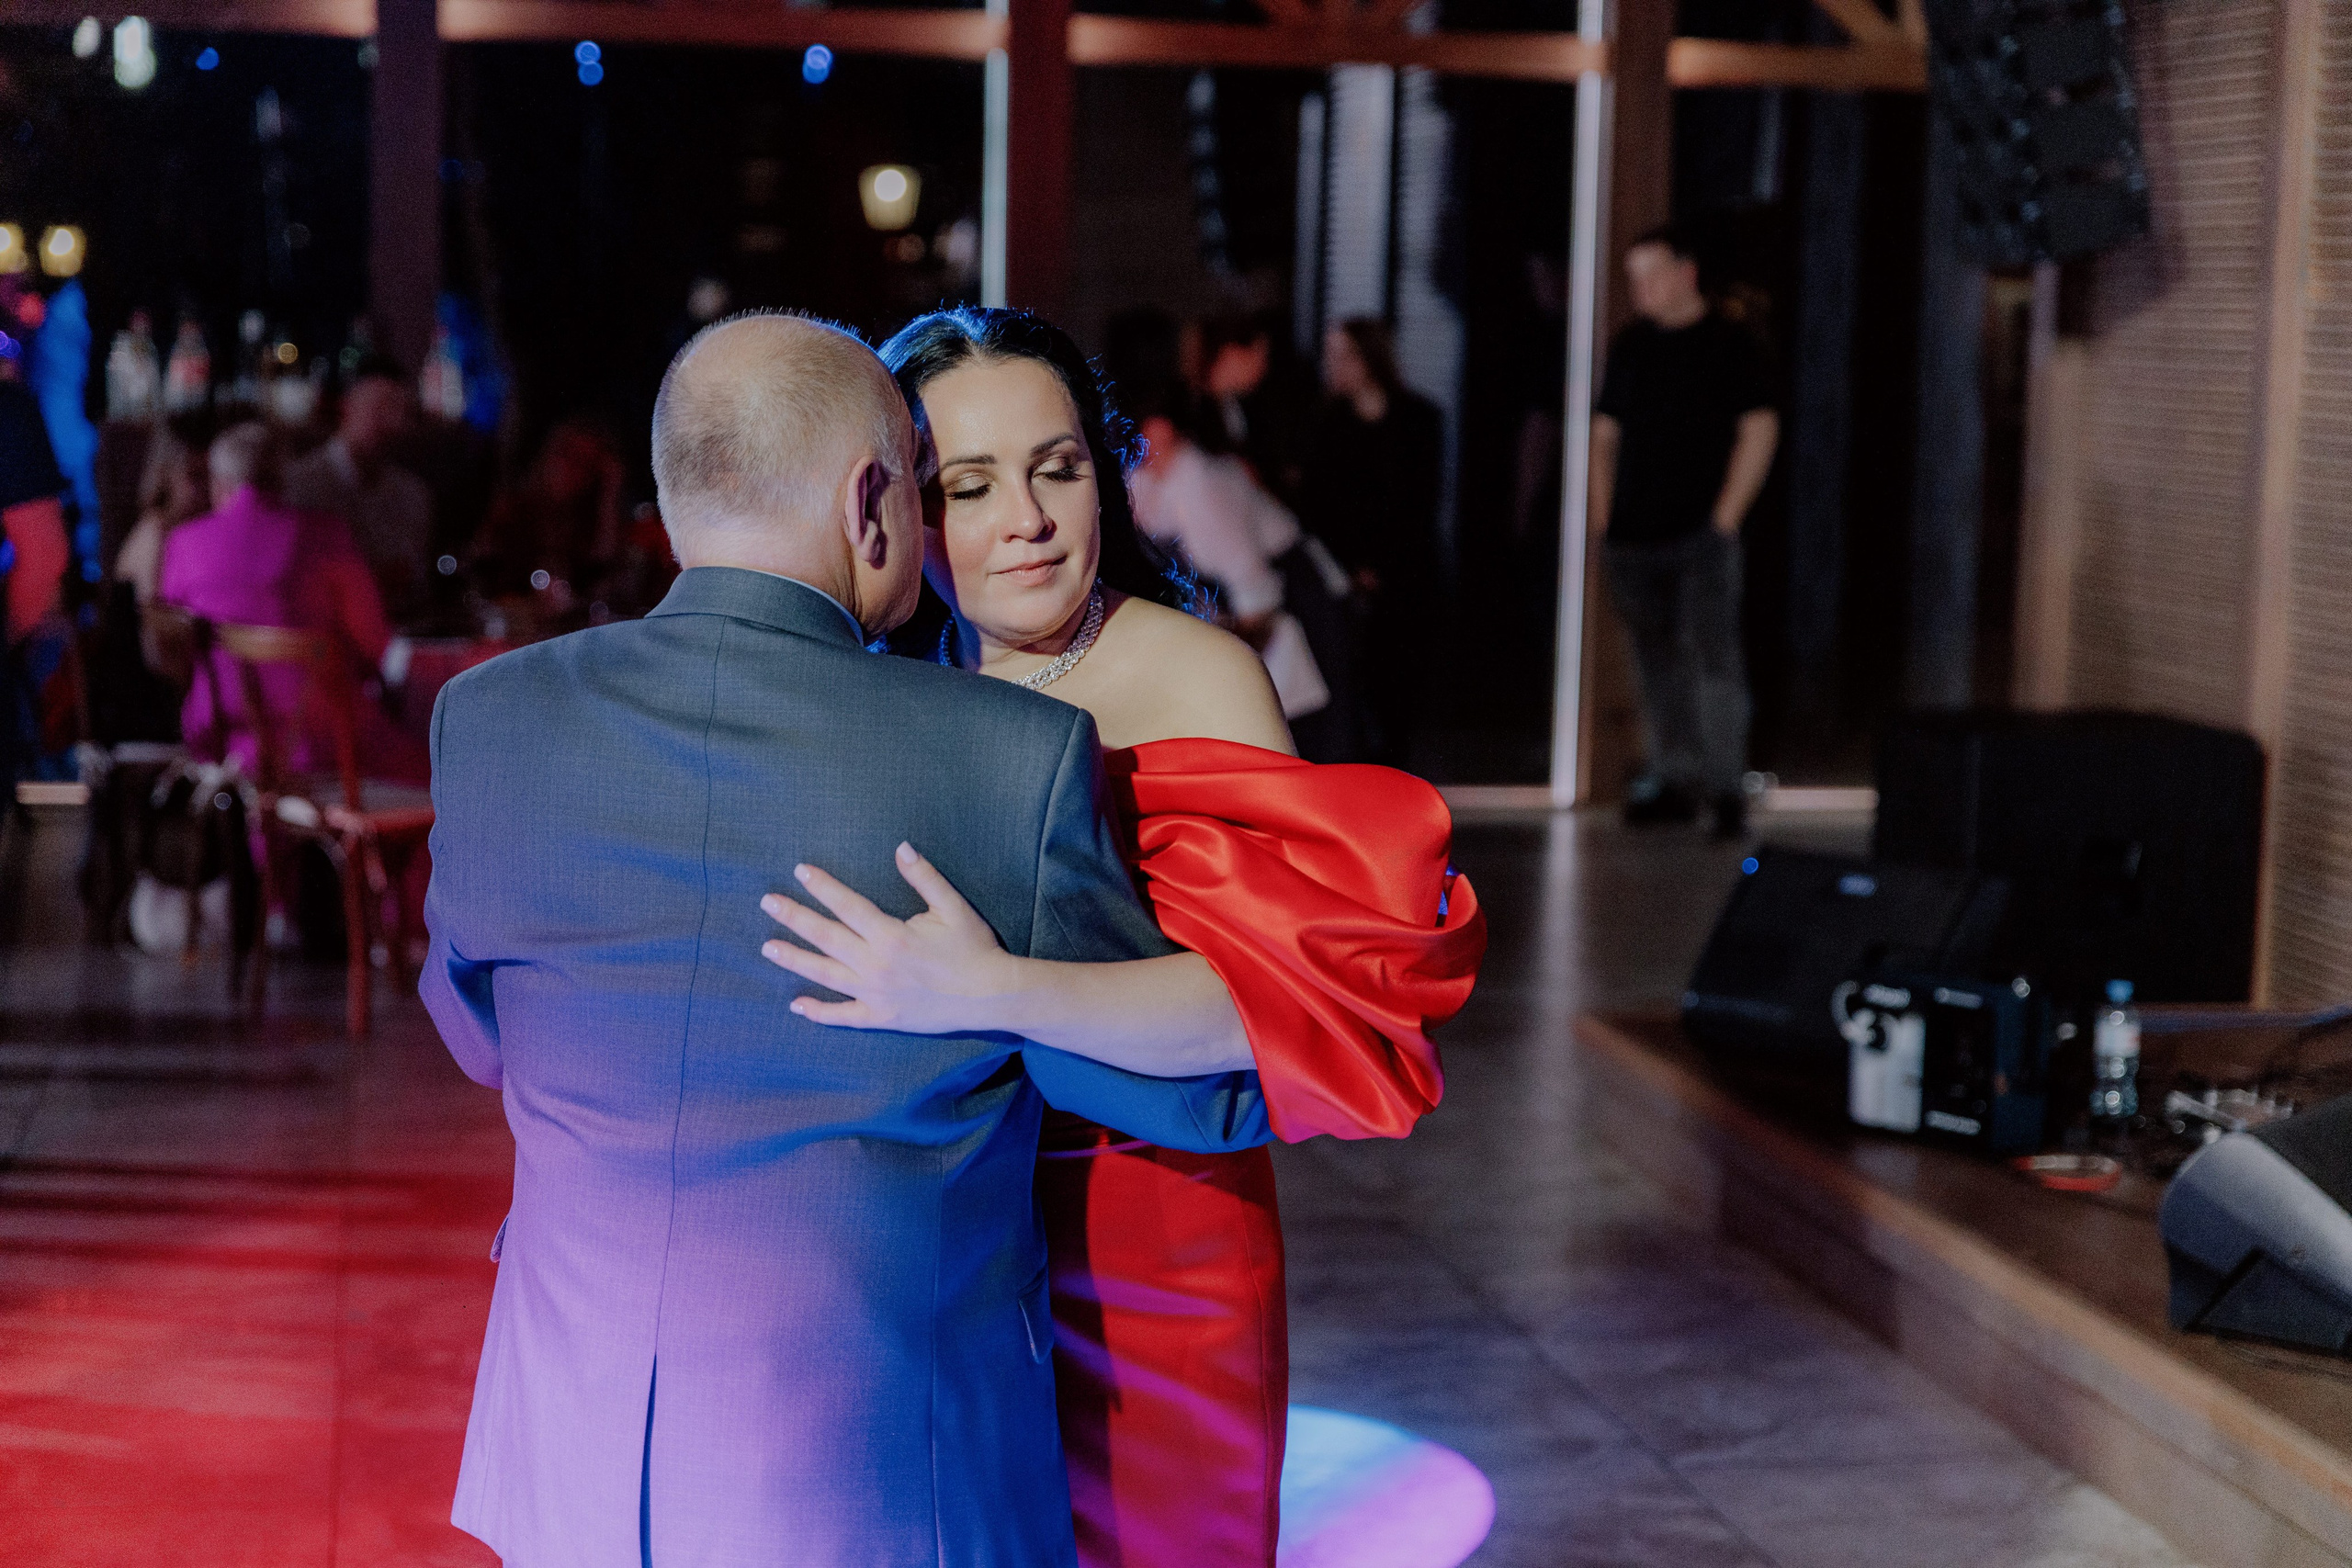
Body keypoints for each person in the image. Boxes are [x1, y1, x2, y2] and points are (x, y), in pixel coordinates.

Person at [419, 312, 1272, 1568]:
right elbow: (1205, 1090)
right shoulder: (1005, 756)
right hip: (887, 1470)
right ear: (876, 502)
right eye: (955, 489)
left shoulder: (486, 718)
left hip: (579, 1452)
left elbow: (478, 1032)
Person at [760, 307, 1487, 1568]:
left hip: (1156, 1237)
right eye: (969, 486)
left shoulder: (1200, 676)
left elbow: (1262, 1006)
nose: (1028, 520)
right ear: (900, 508)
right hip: (938, 1243)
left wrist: (992, 986)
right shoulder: (879, 690)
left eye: (1058, 467)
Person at [1590, 221, 1779, 838]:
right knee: (1656, 660)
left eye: (1651, 274)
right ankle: (1676, 777)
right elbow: (1604, 436)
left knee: (1712, 657)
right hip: (1634, 534)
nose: (1641, 288)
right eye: (1633, 277)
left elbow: (1759, 428)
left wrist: (1726, 515)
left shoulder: (1730, 343)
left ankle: (1726, 786)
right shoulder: (1632, 347)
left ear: (1685, 272)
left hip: (1700, 531)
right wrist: (1604, 516)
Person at [158, 421, 413, 782]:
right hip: (326, 741)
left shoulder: (184, 543)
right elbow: (375, 642)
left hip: (220, 736)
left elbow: (170, 642)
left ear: (220, 484)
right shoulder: (325, 535)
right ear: (281, 480)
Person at [1303, 318, 1444, 769]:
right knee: (1354, 673)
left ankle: (1398, 762)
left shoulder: (1419, 419)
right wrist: (1353, 564)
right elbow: (1321, 506)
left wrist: (1385, 563)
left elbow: (1421, 500)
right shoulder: (1328, 425)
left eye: (1344, 355)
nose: (1334, 367)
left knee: (1403, 674)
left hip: (1407, 567)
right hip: (1345, 569)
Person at [283, 355, 435, 619]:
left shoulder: (412, 494)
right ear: (346, 406)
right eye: (380, 407)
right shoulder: (301, 485)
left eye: (402, 411)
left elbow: (416, 578)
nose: (392, 421)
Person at [469, 417, 626, 605]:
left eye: (586, 463)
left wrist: (608, 497)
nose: (572, 468)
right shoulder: (514, 507)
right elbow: (482, 572)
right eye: (567, 454)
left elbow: (602, 578)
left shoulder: (590, 522)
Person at [114, 411, 213, 606]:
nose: (206, 488)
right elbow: (153, 618)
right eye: (195, 476)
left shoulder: (197, 529)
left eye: (211, 475)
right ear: (166, 475)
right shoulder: (156, 532)